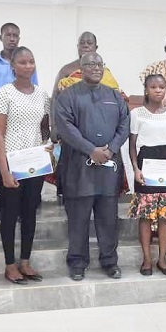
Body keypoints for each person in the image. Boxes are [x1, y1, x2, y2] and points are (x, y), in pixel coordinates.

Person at [55, 52, 130, 281]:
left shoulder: (113, 96)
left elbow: (125, 123)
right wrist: (91, 150)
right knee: (78, 220)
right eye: (91, 64)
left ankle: (110, 261)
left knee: (108, 219)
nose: (96, 68)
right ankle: (77, 263)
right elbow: (65, 127)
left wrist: (111, 149)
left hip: (108, 167)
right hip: (79, 169)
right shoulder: (68, 96)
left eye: (100, 64)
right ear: (81, 67)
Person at [0, 46, 50, 284]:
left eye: (31, 62)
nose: (28, 66)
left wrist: (48, 151)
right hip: (11, 164)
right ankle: (9, 264)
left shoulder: (42, 94)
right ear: (13, 66)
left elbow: (44, 128)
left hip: (34, 164)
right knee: (9, 214)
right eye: (23, 62)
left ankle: (25, 261)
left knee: (30, 214)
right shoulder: (4, 93)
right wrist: (4, 170)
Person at [0, 22, 39, 224]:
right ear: (1, 37)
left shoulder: (27, 62)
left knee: (24, 159)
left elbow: (34, 87)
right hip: (0, 118)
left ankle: (22, 206)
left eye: (15, 35)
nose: (12, 38)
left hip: (22, 117)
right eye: (8, 35)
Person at [129, 74, 166, 276]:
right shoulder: (137, 114)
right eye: (153, 87)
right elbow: (132, 145)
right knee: (145, 215)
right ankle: (147, 259)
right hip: (147, 162)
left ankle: (162, 259)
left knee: (165, 216)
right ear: (146, 89)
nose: (158, 90)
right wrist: (136, 168)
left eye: (161, 87)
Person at [50, 31, 120, 141]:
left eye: (89, 43)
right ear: (78, 47)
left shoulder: (103, 73)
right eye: (82, 43)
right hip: (71, 127)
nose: (85, 45)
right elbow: (55, 98)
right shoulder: (66, 70)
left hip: (99, 128)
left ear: (96, 47)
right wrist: (54, 126)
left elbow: (116, 100)